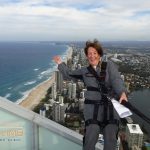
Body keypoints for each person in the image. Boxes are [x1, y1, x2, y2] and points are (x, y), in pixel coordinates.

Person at [53, 39, 128, 150]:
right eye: (89, 54)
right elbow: (69, 75)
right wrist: (60, 64)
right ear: (87, 56)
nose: (92, 56)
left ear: (99, 54)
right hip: (93, 108)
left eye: (94, 53)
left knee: (111, 135)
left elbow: (116, 80)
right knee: (91, 134)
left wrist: (122, 92)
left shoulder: (109, 66)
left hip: (110, 107)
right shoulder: (85, 71)